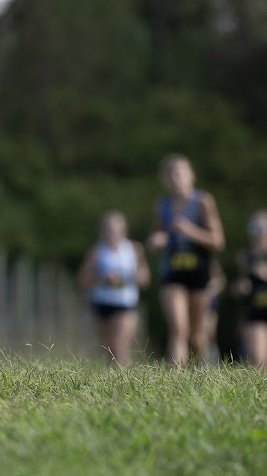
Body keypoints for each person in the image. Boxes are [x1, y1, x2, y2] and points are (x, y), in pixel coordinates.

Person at [147, 154, 225, 365]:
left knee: (197, 334)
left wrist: (190, 231)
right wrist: (156, 241)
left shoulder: (203, 202)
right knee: (178, 328)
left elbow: (218, 241)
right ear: (165, 180)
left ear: (192, 176)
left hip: (199, 272)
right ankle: (176, 380)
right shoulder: (162, 206)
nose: (176, 178)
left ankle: (200, 372)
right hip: (172, 272)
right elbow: (157, 236)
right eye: (171, 174)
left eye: (180, 173)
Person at [78, 211, 150, 366]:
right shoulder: (97, 252)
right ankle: (113, 382)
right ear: (103, 231)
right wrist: (103, 279)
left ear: (124, 230)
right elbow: (83, 279)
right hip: (102, 303)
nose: (113, 233)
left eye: (117, 229)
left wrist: (128, 278)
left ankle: (126, 383)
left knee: (120, 345)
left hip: (126, 304)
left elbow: (144, 278)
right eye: (109, 230)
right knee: (108, 348)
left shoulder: (134, 249)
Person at [232, 210, 267, 370]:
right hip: (255, 312)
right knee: (259, 360)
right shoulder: (245, 257)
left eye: (261, 227)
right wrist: (240, 288)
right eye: (253, 227)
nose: (257, 232)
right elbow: (238, 285)